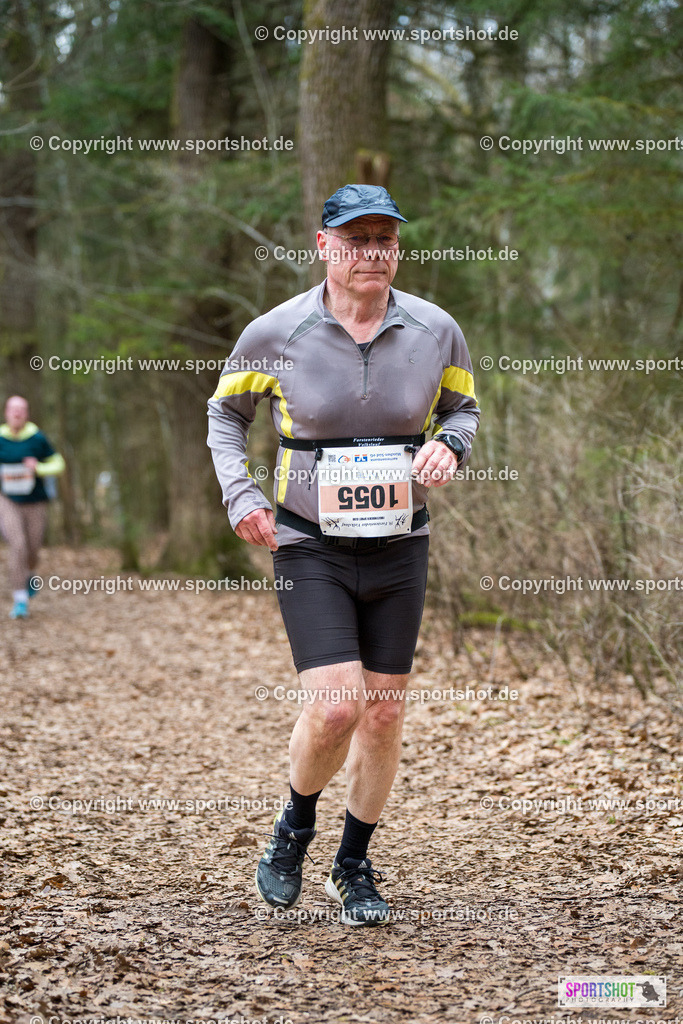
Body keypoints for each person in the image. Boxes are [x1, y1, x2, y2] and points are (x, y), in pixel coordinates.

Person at [208, 183, 480, 926]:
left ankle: (351, 865)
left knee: (384, 715)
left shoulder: (433, 329)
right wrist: (242, 495)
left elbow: (462, 406)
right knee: (336, 707)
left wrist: (450, 445)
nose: (373, 253)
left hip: (400, 545)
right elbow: (224, 415)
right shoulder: (276, 332)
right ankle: (292, 833)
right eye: (356, 240)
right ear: (324, 246)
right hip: (307, 542)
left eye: (384, 240)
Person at [0, 396, 65, 619]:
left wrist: (38, 467)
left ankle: (28, 574)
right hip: (7, 500)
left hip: (35, 501)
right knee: (17, 545)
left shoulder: (37, 439)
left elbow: (59, 464)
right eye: (13, 409)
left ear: (26, 413)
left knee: (32, 550)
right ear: (6, 412)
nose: (17, 413)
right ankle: (20, 602)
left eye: (21, 410)